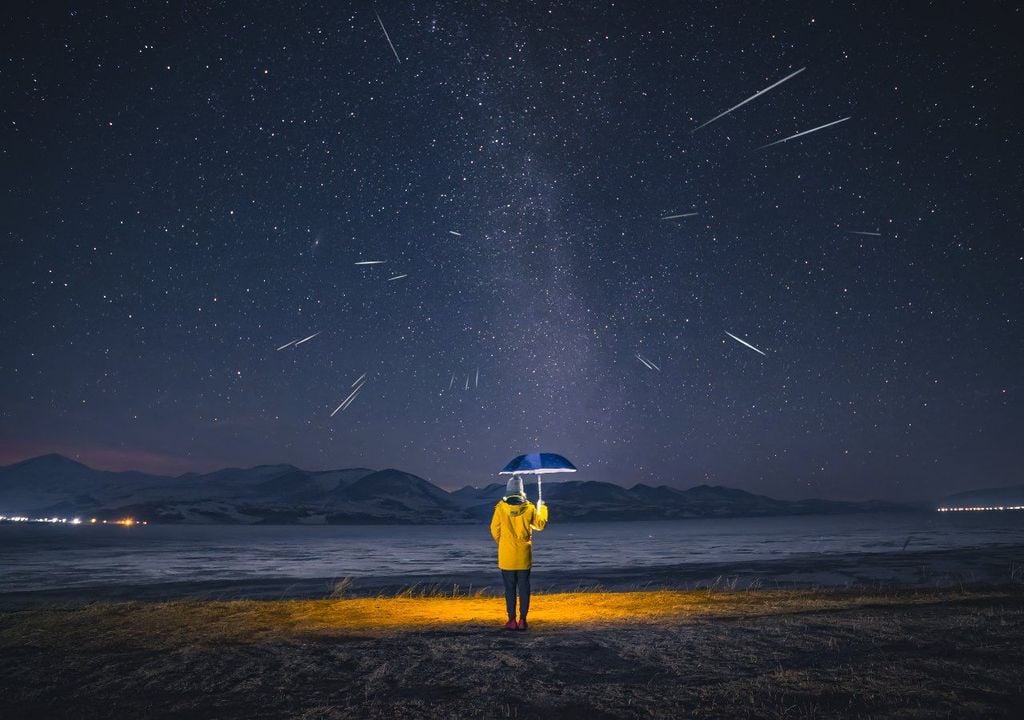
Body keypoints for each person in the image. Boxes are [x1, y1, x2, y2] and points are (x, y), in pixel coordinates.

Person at [489, 475, 548, 631]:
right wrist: (543, 508)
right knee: (524, 588)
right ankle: (523, 620)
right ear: (521, 490)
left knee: (509, 589)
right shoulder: (529, 507)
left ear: (508, 490)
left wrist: (502, 543)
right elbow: (540, 525)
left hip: (506, 555)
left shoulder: (500, 507)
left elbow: (494, 529)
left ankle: (511, 620)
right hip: (523, 554)